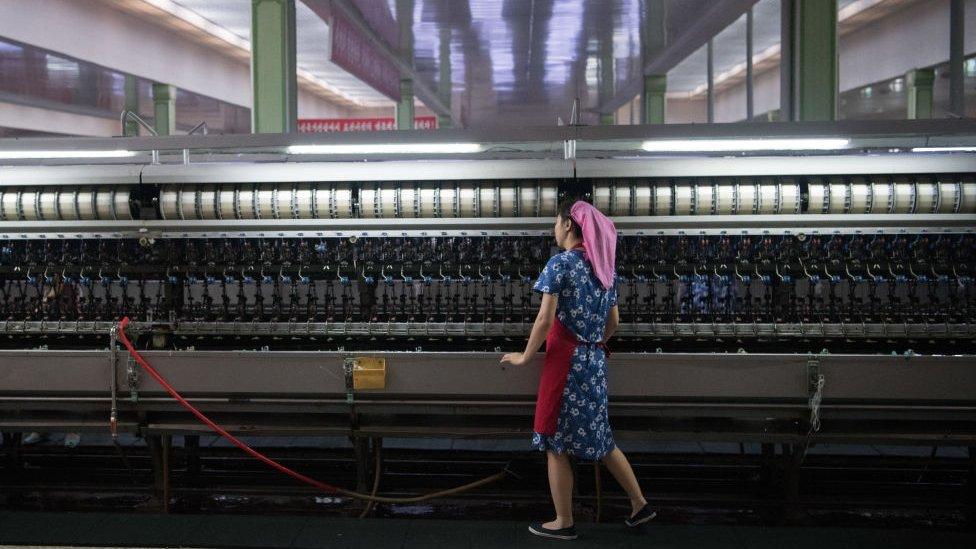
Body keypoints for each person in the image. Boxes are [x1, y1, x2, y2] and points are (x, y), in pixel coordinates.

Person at [501, 199, 655, 540]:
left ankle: (563, 521)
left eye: (556, 223)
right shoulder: (604, 268)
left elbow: (544, 320)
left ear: (568, 225)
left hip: (564, 363)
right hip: (593, 362)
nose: (554, 229)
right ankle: (639, 503)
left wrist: (524, 357)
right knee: (602, 438)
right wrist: (590, 342)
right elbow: (613, 323)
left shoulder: (561, 264)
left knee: (556, 442)